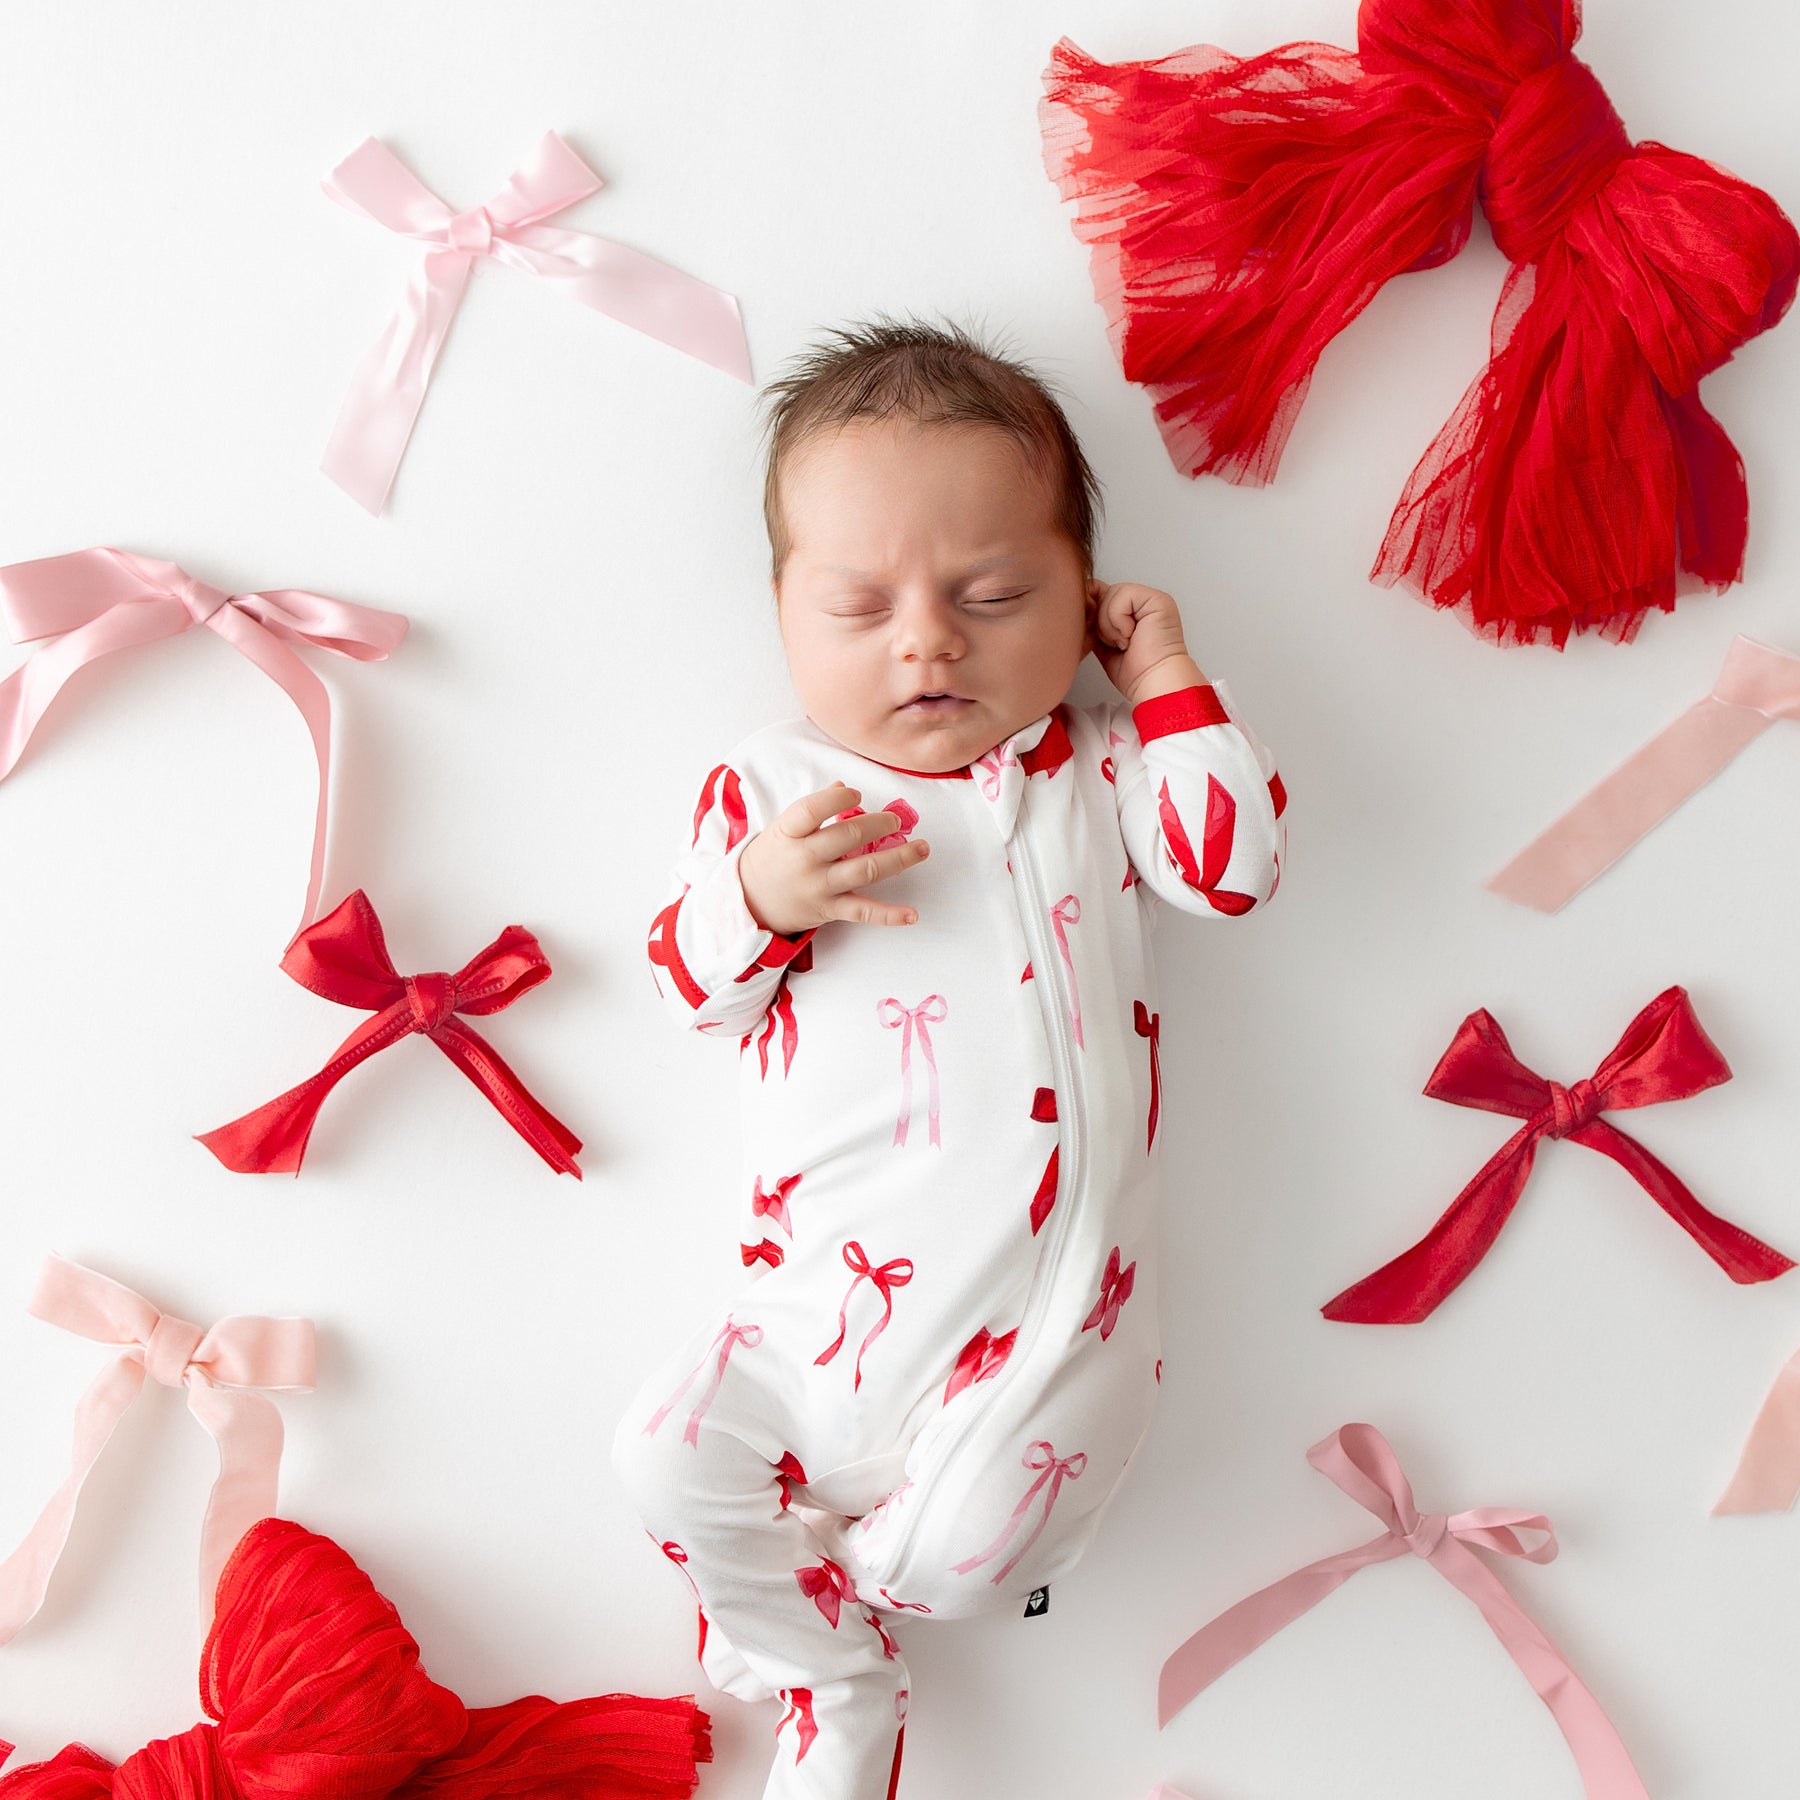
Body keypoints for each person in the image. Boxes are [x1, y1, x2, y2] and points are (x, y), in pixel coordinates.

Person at [613, 318, 1286, 1800]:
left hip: (1057, 1329)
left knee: (966, 1571)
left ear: (1083, 601)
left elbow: (1233, 867)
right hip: (806, 1317)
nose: (928, 640)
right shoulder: (773, 786)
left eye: (991, 595)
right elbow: (687, 988)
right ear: (784, 611)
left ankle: (847, 1612)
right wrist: (755, 901)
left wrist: (1165, 670)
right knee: (658, 1456)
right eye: (859, 605)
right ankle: (828, 1678)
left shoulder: (1099, 764)